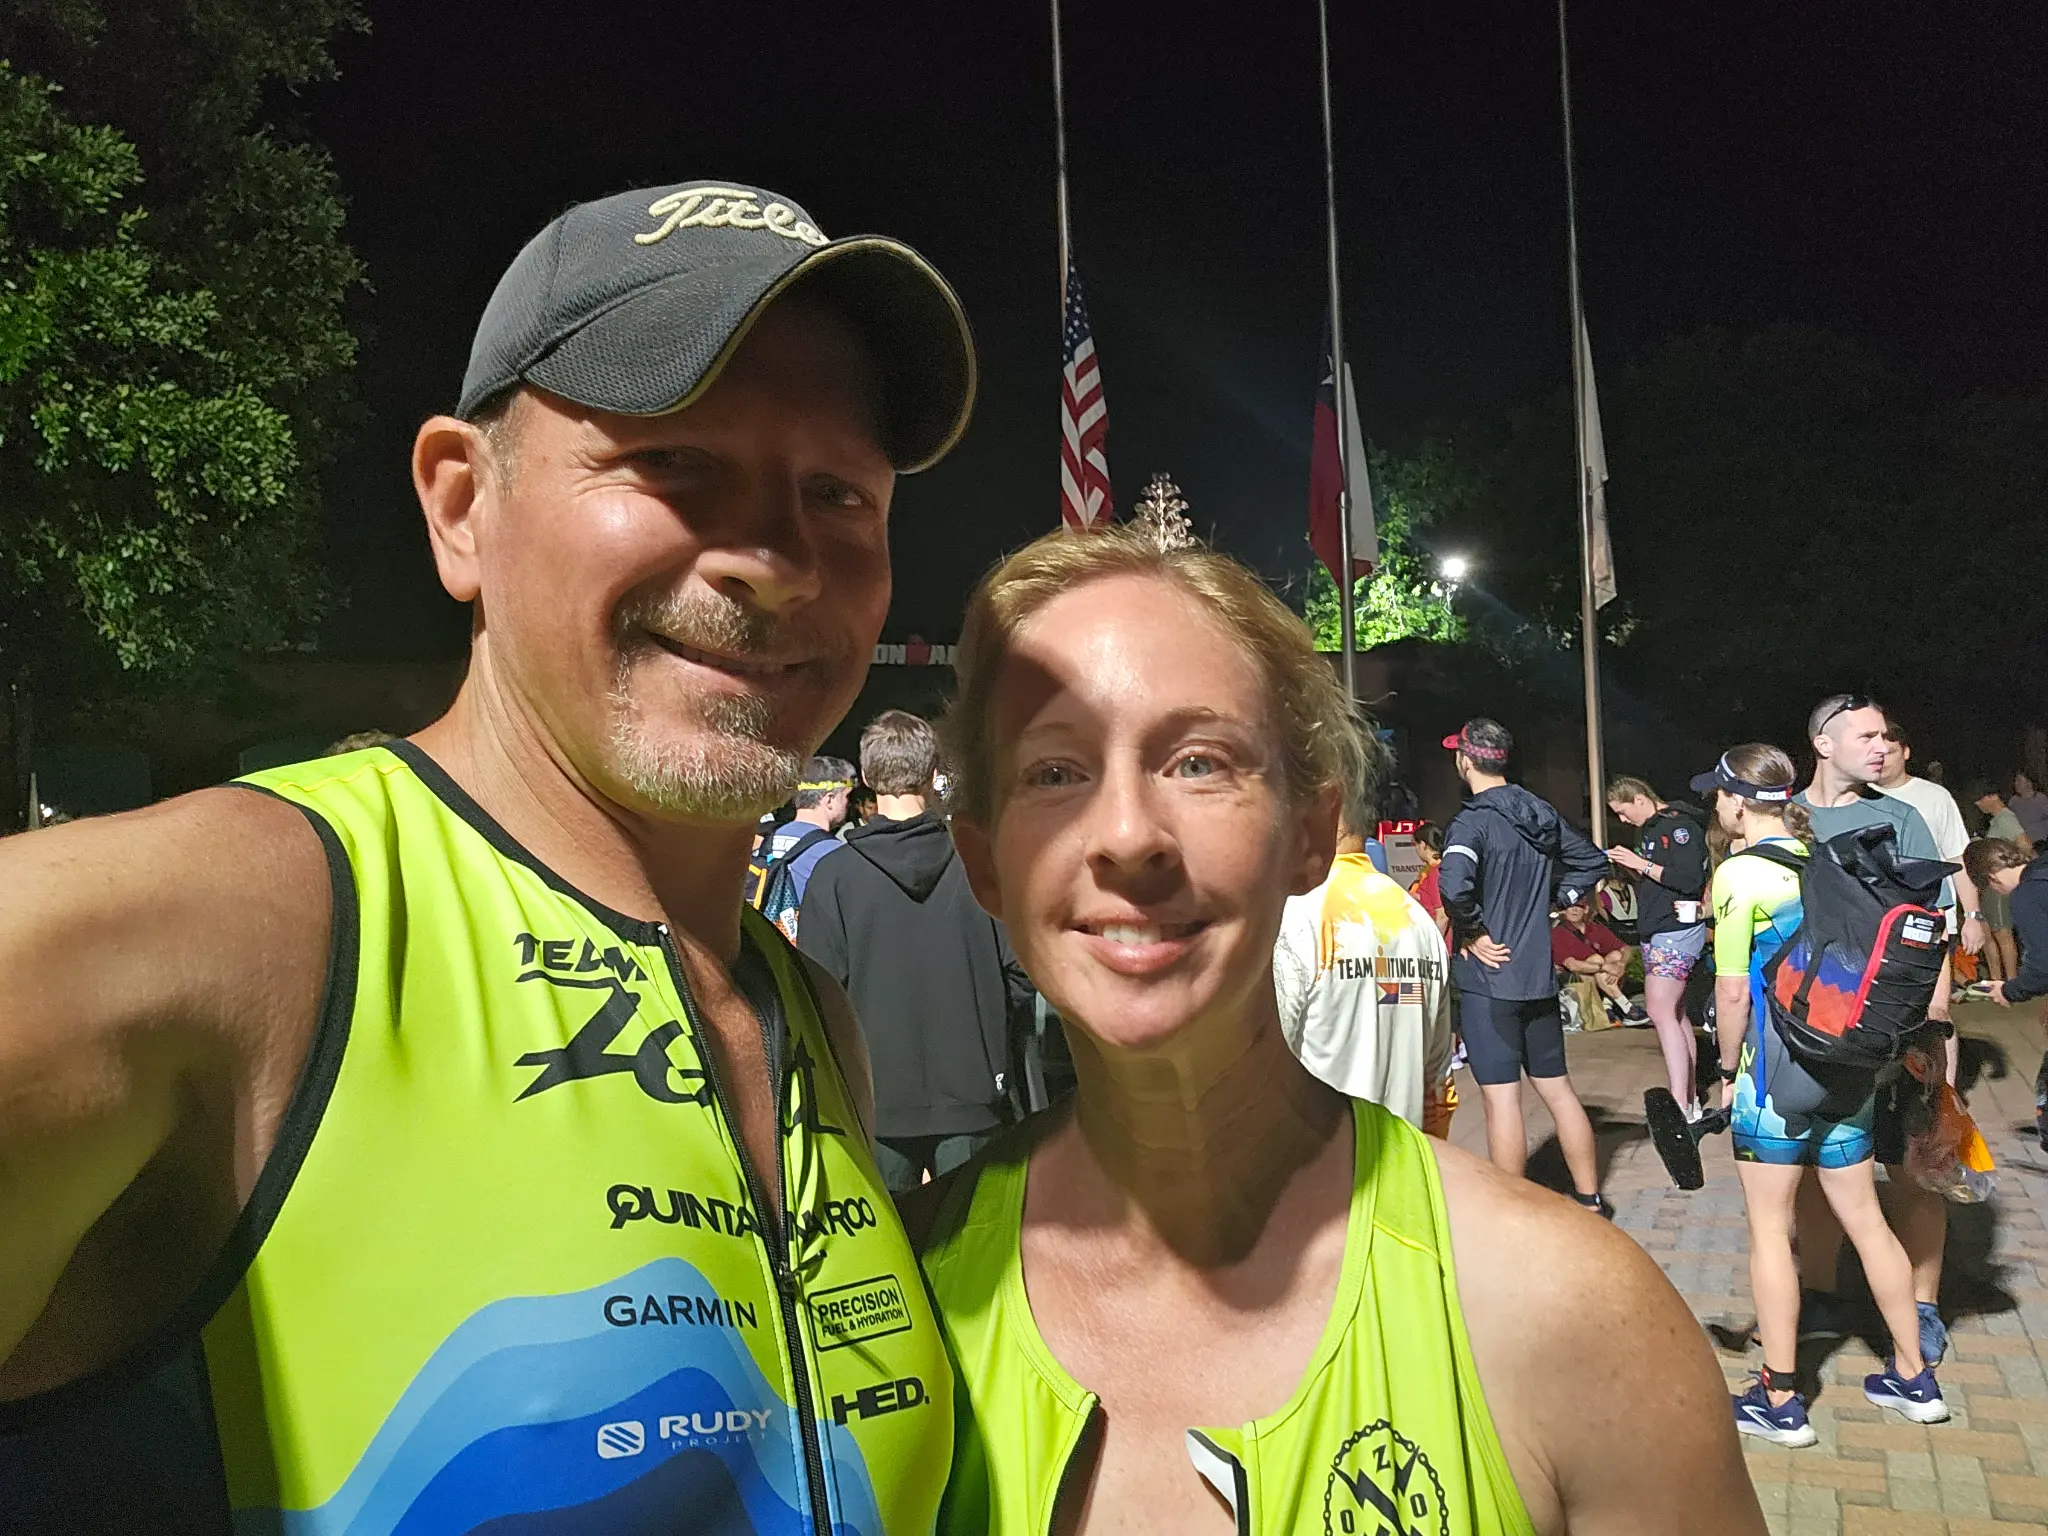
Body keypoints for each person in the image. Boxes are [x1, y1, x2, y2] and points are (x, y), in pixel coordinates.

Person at [0, 180, 976, 1532]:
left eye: (837, 493)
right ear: (463, 507)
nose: (776, 562)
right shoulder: (232, 927)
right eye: (675, 464)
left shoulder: (808, 1018)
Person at [910, 524, 1759, 1535]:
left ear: (1309, 833)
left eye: (1196, 761)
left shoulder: (1566, 1314)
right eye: (1053, 772)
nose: (1129, 836)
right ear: (985, 860)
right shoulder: (885, 1305)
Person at [1698, 746, 1946, 1447]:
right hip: (1847, 1069)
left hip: (1773, 1076)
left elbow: (1728, 987)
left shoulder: (1739, 874)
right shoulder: (1829, 863)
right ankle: (1914, 1378)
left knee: (1771, 1231)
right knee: (1867, 1222)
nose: (1716, 807)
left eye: (1717, 796)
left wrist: (1725, 1066)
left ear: (1737, 801)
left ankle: (1780, 1398)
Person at [798, 711, 1026, 1192]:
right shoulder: (981, 865)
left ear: (864, 779)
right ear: (931, 773)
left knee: (889, 1250)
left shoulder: (834, 877)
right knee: (977, 1251)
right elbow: (1022, 975)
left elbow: (817, 994)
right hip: (974, 1090)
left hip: (876, 1098)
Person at [1793, 695, 1955, 1374]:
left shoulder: (1902, 818)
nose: (1881, 745)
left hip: (1897, 1030)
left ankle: (1920, 1307)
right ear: (1823, 744)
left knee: (1913, 1168)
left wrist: (1936, 1033)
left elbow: (1932, 933)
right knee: (1811, 1169)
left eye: (1886, 735)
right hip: (1810, 1026)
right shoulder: (1788, 818)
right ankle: (1823, 1293)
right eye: (1865, 735)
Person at [1436, 718, 1615, 1211]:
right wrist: (1559, 901)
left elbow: (1453, 887)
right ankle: (1590, 1198)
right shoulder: (1539, 812)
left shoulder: (1471, 822)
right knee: (1559, 1092)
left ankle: (1510, 1212)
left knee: (1501, 1099)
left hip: (1490, 981)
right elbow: (1593, 861)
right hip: (1538, 977)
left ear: (1465, 760)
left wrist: (1472, 931)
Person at [1273, 780, 1455, 1132]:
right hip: (1404, 1162)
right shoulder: (1418, 919)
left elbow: (1266, 1064)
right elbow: (1438, 1081)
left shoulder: (1299, 914)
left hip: (1322, 1168)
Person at [1607, 775, 1712, 1115]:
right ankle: (1688, 1097)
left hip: (1675, 928)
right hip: (1656, 928)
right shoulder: (1650, 829)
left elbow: (1688, 880)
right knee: (1674, 1014)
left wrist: (1642, 864)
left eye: (1623, 812)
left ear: (1640, 799)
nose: (1622, 821)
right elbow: (1660, 880)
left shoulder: (1680, 826)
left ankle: (1681, 1103)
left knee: (1659, 1010)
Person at [1878, 720, 1985, 968]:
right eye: (1877, 754)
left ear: (1906, 752)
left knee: (1934, 1001)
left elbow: (1957, 858)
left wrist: (1972, 916)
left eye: (1890, 753)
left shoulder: (1935, 797)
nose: (1883, 761)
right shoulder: (1856, 796)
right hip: (1877, 919)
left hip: (1931, 917)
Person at [755, 753, 855, 939]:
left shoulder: (766, 842)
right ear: (830, 800)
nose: (849, 803)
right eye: (846, 796)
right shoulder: (835, 853)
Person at [1969, 779, 2033, 983]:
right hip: (1989, 884)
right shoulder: (1995, 821)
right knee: (1987, 932)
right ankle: (1996, 980)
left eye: (1980, 800)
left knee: (2002, 932)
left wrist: (2007, 865)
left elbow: (2024, 845)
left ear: (1992, 796)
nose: (1978, 805)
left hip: (2000, 885)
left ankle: (2012, 980)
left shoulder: (2005, 817)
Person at [1550, 895, 1641, 1026]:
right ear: (1564, 911)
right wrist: (1604, 967)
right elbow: (1572, 965)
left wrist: (1620, 965)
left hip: (1601, 978)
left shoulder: (1595, 928)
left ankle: (1607, 1005)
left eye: (1579, 907)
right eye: (1570, 907)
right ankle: (1627, 1008)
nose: (1574, 910)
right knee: (1596, 960)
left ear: (1586, 910)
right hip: (1575, 978)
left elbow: (1626, 949)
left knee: (1616, 955)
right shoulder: (1557, 933)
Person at [1410, 820, 1449, 938]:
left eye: (1415, 845)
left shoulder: (1435, 872)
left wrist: (1435, 947)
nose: (1416, 849)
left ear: (1422, 844)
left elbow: (1442, 915)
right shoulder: (1431, 870)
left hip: (1437, 941)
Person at [2011, 769, 2048, 847]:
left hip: (2042, 844)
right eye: (2015, 781)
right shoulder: (2014, 801)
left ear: (2029, 783)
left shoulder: (2040, 798)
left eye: (2019, 781)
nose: (2016, 784)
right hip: (2024, 845)